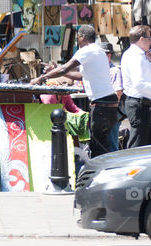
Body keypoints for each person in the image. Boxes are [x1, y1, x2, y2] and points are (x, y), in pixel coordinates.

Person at [32, 25, 118, 158]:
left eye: (78, 37)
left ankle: (100, 176)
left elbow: (64, 69)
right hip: (110, 104)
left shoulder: (86, 50)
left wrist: (41, 78)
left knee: (99, 149)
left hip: (102, 106)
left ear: (82, 37)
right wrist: (57, 72)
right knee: (104, 147)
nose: (77, 40)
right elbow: (81, 76)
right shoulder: (99, 51)